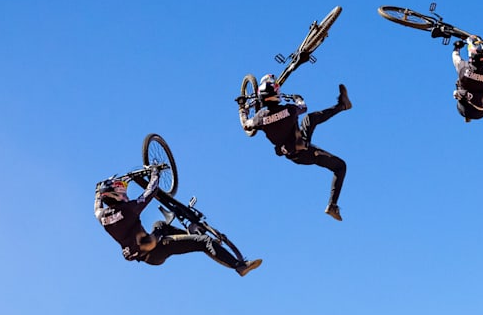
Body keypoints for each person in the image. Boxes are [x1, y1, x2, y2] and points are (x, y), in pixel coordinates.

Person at [94, 172, 261, 276]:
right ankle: (239, 266)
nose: (124, 195)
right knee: (203, 243)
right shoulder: (128, 210)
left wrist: (98, 195)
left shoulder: (102, 217)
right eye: (121, 192)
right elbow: (150, 192)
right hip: (154, 250)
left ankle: (189, 235)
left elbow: (97, 208)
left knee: (160, 225)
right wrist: (155, 174)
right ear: (114, 195)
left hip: (145, 250)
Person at [239, 74, 351, 221]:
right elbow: (303, 107)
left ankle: (343, 105)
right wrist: (297, 98)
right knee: (340, 166)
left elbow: (246, 125)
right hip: (303, 151)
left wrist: (242, 109)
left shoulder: (260, 118)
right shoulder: (290, 110)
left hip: (293, 151)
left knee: (310, 120)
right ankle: (332, 205)